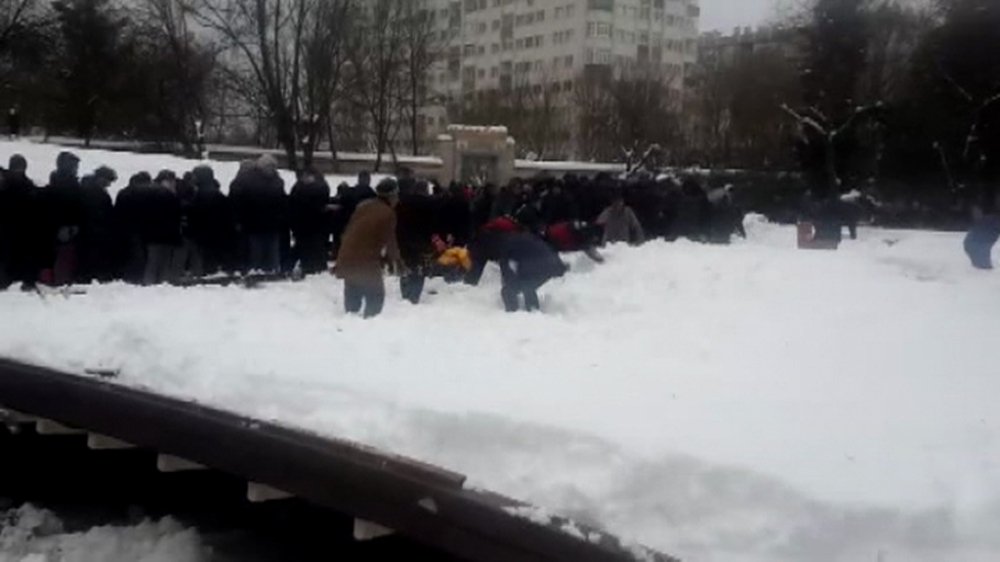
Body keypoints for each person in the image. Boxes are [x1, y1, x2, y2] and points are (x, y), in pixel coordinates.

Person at [334, 178, 402, 318]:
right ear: (391, 195)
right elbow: (390, 242)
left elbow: (351, 230)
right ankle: (369, 327)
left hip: (347, 255)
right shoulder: (388, 213)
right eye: (396, 195)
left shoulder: (363, 206)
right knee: (376, 297)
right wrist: (397, 262)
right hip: (366, 261)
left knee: (353, 294)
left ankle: (350, 324)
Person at [467, 230, 568, 313]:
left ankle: (515, 315)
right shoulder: (516, 238)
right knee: (526, 284)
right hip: (553, 263)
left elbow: (508, 272)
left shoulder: (504, 246)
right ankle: (533, 312)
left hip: (543, 264)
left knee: (510, 290)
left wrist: (509, 286)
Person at [238, 155, 286, 273]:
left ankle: (272, 268)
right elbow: (244, 201)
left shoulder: (278, 181)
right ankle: (256, 268)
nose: (271, 169)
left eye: (273, 167)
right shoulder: (251, 181)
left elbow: (282, 200)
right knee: (257, 248)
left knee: (271, 247)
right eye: (268, 166)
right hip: (256, 221)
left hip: (271, 222)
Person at [0, 155, 42, 289]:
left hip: (22, 229)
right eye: (16, 168)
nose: (18, 171)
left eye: (21, 169)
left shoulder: (28, 185)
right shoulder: (3, 183)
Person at [45, 151, 84, 285]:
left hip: (55, 224)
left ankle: (53, 280)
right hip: (66, 226)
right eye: (75, 166)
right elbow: (73, 205)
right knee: (64, 256)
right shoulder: (70, 185)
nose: (76, 169)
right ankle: (61, 282)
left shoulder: (55, 182)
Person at [188, 165, 233, 276]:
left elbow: (195, 214)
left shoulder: (200, 194)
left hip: (205, 233)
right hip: (219, 233)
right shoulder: (217, 193)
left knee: (207, 259)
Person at [77, 166, 118, 282]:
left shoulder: (85, 187)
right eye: (108, 181)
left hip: (86, 231)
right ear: (101, 178)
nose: (109, 184)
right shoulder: (97, 192)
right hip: (95, 231)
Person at [142, 170, 182, 285]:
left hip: (151, 233)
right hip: (165, 234)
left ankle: (150, 284)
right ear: (167, 181)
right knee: (162, 262)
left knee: (152, 261)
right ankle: (160, 284)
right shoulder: (168, 195)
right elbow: (174, 215)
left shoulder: (149, 192)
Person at [288, 168, 331, 274]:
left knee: (304, 246)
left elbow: (293, 204)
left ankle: (306, 265)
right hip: (316, 224)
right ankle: (317, 265)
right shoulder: (321, 187)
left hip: (303, 223)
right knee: (315, 246)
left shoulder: (300, 188)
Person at [114, 172, 152, 283]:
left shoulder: (123, 192)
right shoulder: (142, 194)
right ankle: (136, 279)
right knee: (138, 256)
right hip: (138, 229)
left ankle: (127, 277)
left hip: (123, 229)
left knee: (128, 255)